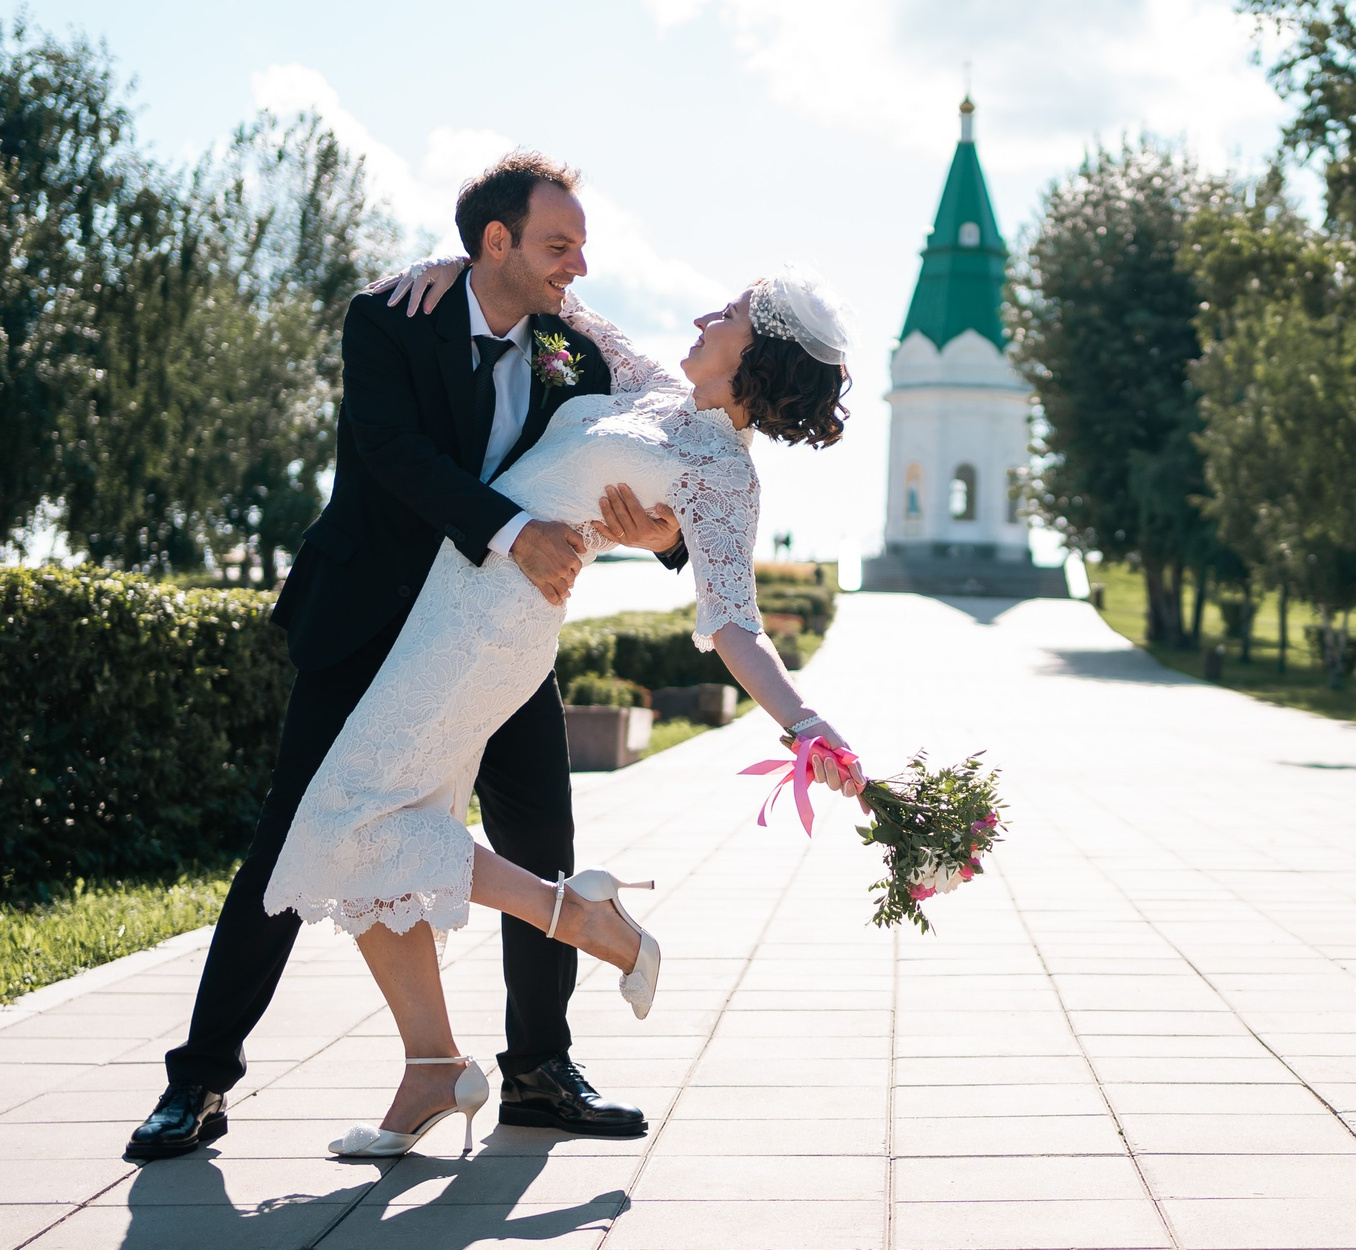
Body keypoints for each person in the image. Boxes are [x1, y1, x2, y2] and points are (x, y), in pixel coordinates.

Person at [177, 162, 863, 1158]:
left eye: (733, 310)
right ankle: (433, 1069)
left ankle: (569, 923)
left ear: (760, 356)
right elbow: (544, 298)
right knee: (356, 835)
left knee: (344, 823)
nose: (707, 309)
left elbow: (730, 620)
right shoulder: (642, 377)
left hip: (489, 631)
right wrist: (445, 262)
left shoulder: (724, 476)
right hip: (432, 603)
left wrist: (804, 723)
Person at [127, 152, 692, 1160]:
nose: (579, 268)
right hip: (371, 615)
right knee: (294, 837)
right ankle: (201, 1084)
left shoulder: (577, 350)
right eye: (559, 246)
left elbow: (659, 443)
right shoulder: (390, 318)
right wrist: (515, 529)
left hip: (494, 632)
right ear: (495, 244)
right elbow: (390, 452)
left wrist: (664, 539)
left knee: (536, 830)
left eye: (581, 247)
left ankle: (538, 1072)